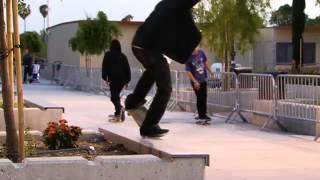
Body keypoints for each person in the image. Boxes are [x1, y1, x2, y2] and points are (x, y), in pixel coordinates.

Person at [125, 0, 202, 137]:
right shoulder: (175, 4)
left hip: (141, 45)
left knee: (152, 72)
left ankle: (133, 101)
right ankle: (149, 126)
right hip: (148, 48)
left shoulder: (166, 5)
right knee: (165, 88)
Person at [102, 40, 131, 121]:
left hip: (113, 79)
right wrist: (127, 81)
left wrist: (105, 77)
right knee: (116, 96)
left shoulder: (108, 55)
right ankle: (118, 113)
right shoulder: (123, 56)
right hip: (122, 80)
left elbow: (105, 66)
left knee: (114, 97)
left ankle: (120, 109)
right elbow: (127, 69)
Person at [186, 47, 215, 120]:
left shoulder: (201, 52)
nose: (195, 50)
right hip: (195, 81)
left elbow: (205, 63)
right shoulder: (188, 57)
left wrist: (211, 73)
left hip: (203, 79)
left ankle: (203, 114)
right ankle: (201, 115)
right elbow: (188, 72)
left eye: (196, 48)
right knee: (199, 97)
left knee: (204, 97)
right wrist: (195, 81)